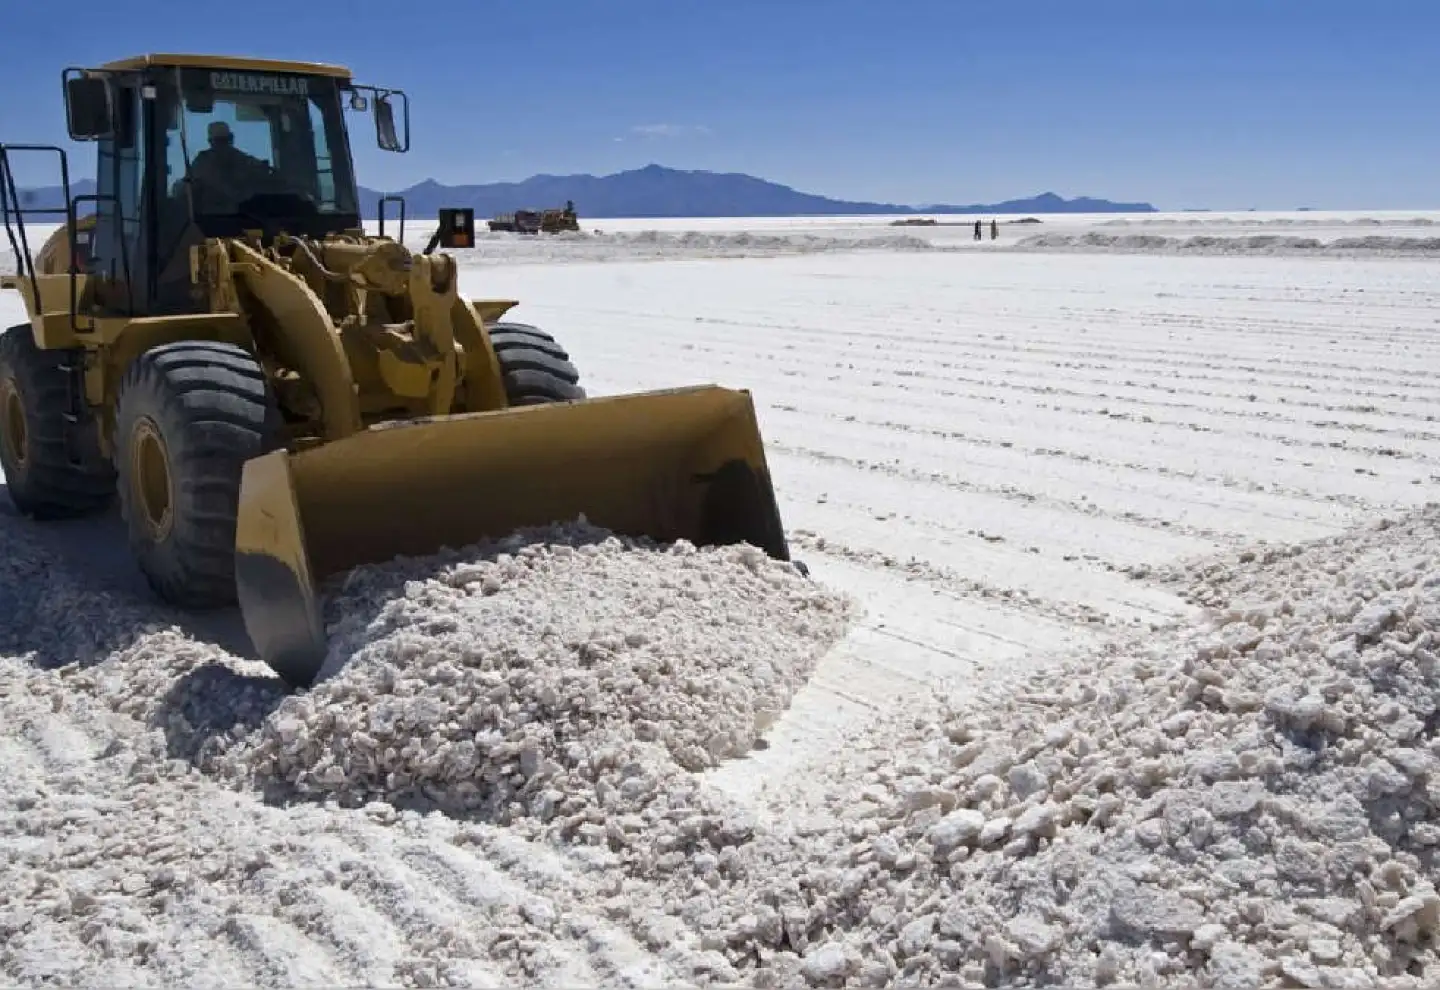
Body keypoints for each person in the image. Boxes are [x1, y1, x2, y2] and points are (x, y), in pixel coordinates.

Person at [186, 121, 279, 214]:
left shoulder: (244, 161)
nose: (222, 146)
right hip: (209, 219)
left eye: (224, 141)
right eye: (219, 141)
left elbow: (268, 177)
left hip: (243, 217)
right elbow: (188, 188)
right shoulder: (201, 163)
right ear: (211, 142)